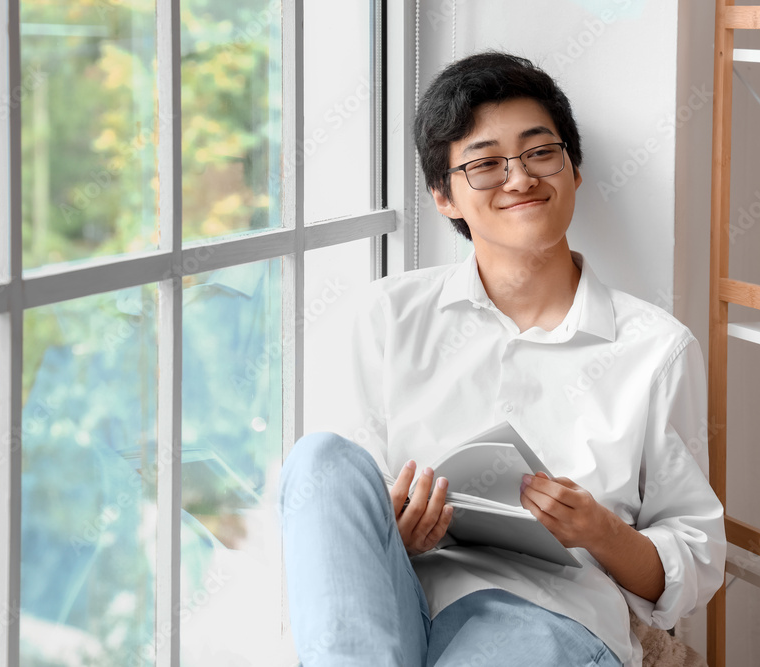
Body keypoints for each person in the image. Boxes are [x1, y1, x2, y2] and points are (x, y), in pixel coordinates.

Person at [279, 51, 726, 667]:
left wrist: (600, 531)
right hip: (399, 599)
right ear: (444, 196)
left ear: (574, 169)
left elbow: (696, 563)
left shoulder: (655, 348)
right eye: (485, 164)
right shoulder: (388, 316)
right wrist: (399, 529)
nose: (519, 179)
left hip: (548, 614)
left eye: (541, 152)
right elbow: (345, 510)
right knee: (319, 459)